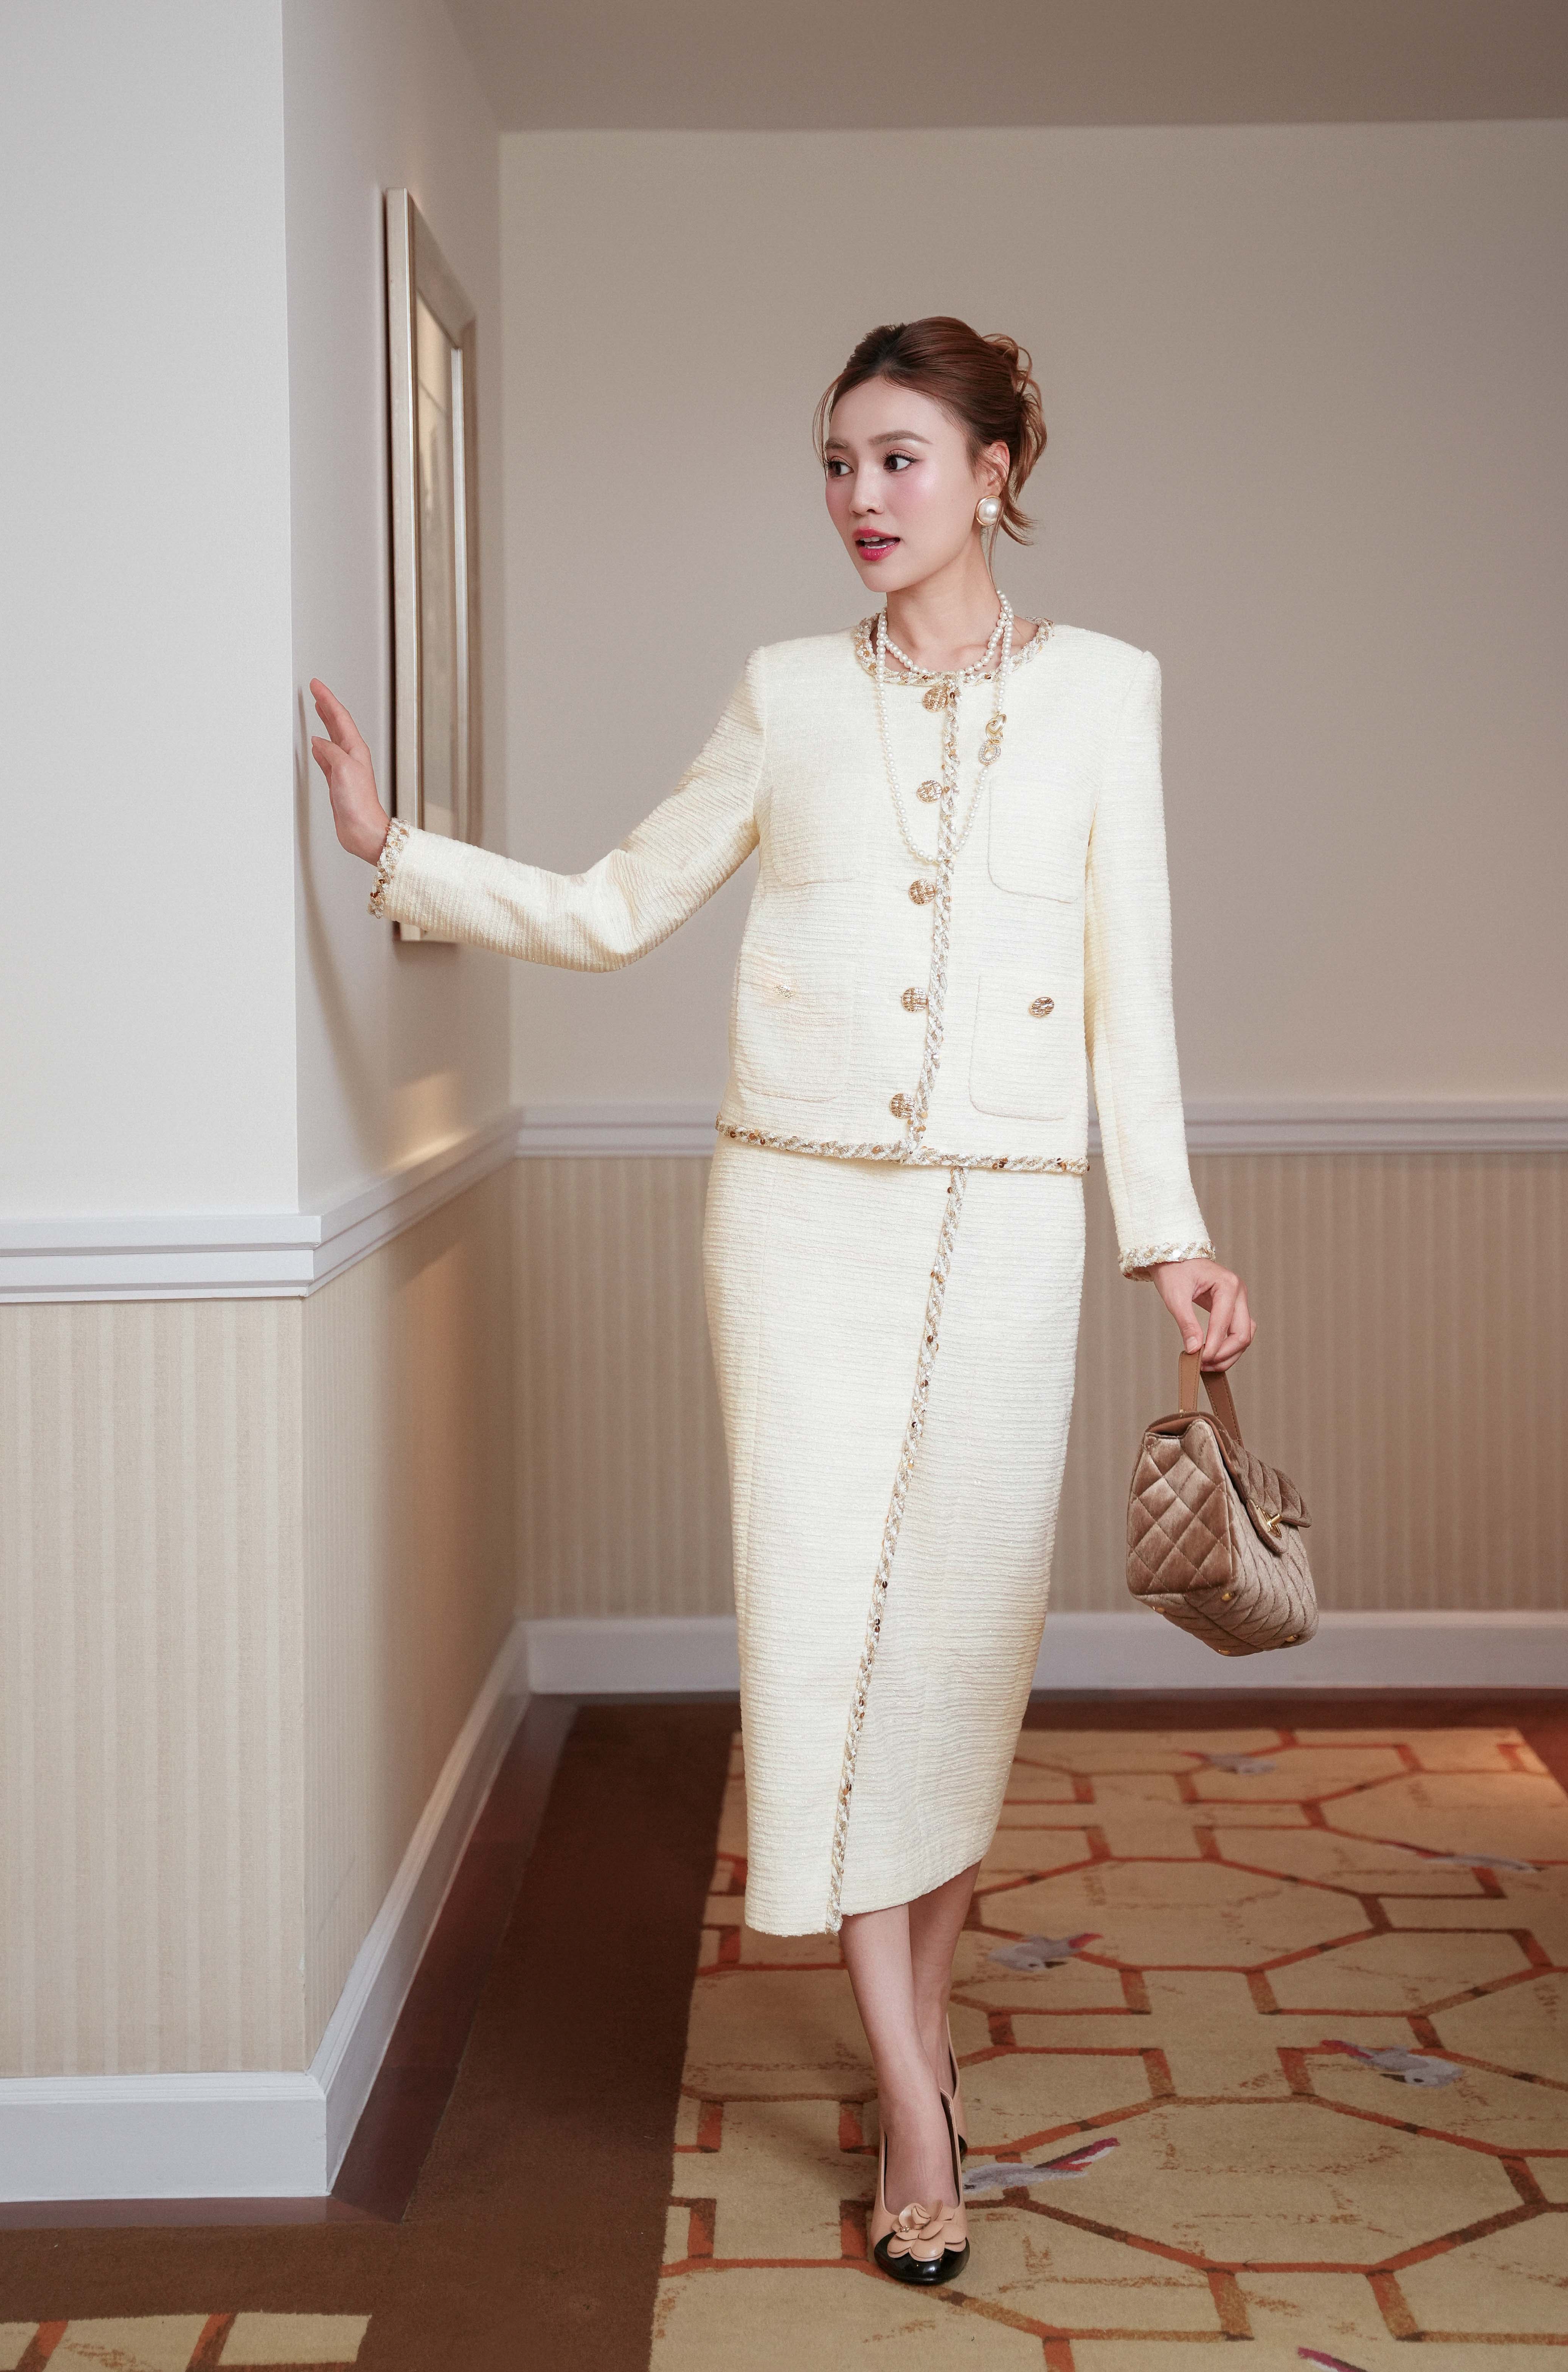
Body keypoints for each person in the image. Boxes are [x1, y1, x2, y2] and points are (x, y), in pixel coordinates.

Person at [312, 316, 1254, 2287]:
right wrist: (400, 854)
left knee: (961, 1653)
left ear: (994, 470)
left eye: (900, 458)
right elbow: (616, 906)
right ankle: (915, 2100)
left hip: (1009, 1228)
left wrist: (1169, 1236)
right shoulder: (784, 695)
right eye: (838, 463)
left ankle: (916, 2032)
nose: (860, 498)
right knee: (824, 1646)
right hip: (795, 1222)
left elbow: (1135, 987)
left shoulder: (1109, 695)